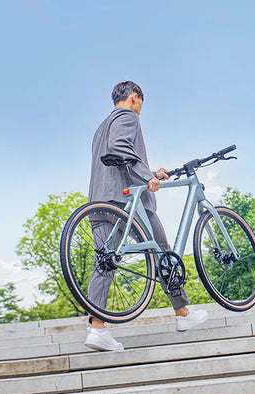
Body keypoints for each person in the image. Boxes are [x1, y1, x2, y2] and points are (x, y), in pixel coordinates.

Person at [84, 81, 209, 351]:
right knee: (163, 253)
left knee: (104, 263)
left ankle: (97, 330)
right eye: (141, 101)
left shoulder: (100, 127)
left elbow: (116, 158)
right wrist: (147, 177)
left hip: (99, 200)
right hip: (127, 201)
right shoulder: (127, 116)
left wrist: (153, 173)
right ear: (134, 97)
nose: (141, 107)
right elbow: (120, 148)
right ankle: (183, 314)